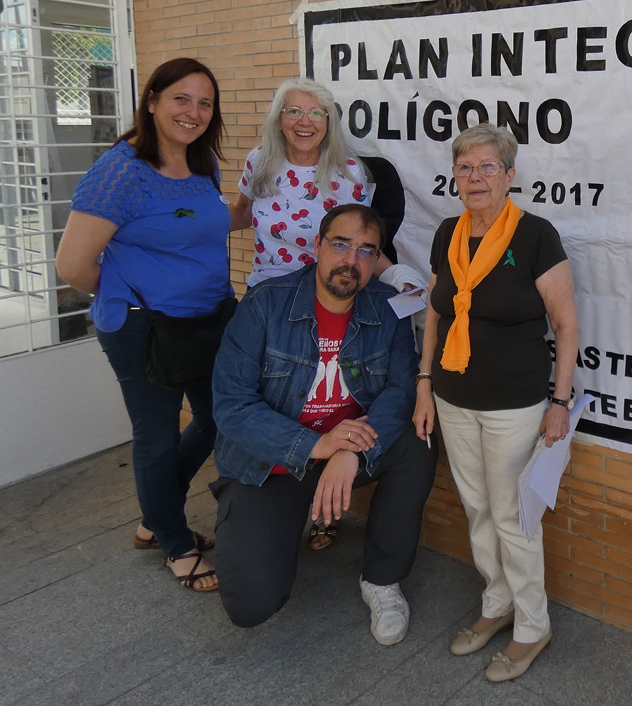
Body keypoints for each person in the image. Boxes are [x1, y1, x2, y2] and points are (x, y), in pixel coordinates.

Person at [210, 203, 437, 639]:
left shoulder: (387, 308)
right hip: (272, 466)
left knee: (417, 440)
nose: (352, 260)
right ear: (317, 245)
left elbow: (401, 389)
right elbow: (232, 406)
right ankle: (261, 518)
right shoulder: (264, 304)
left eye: (366, 251)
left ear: (377, 259)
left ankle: (382, 580)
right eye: (341, 245)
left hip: (345, 452)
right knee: (251, 606)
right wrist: (318, 445)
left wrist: (350, 451)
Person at [56, 57, 233, 593]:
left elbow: (204, 225)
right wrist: (132, 291)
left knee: (217, 418)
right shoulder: (120, 171)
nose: (193, 112)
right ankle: (175, 544)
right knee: (156, 435)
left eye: (205, 103)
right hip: (143, 326)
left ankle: (157, 516)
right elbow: (73, 265)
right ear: (152, 101)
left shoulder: (203, 164)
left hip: (206, 320)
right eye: (181, 98)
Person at [411, 123, 578, 682]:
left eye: (488, 167)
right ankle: (497, 602)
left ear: (510, 176)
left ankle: (533, 624)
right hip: (453, 397)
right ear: (455, 177)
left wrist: (560, 401)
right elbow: (437, 311)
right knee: (478, 508)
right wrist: (424, 382)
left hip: (513, 404)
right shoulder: (448, 233)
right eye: (465, 168)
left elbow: (566, 324)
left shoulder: (535, 236)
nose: (476, 177)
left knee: (512, 515)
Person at [230, 76, 424, 550]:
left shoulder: (349, 172)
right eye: (295, 111)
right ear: (279, 117)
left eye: (316, 112)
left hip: (332, 301)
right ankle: (284, 500)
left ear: (329, 121)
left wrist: (398, 275)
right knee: (279, 403)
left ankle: (326, 509)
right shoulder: (259, 162)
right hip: (270, 307)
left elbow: (358, 242)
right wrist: (182, 226)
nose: (305, 122)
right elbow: (239, 215)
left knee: (330, 399)